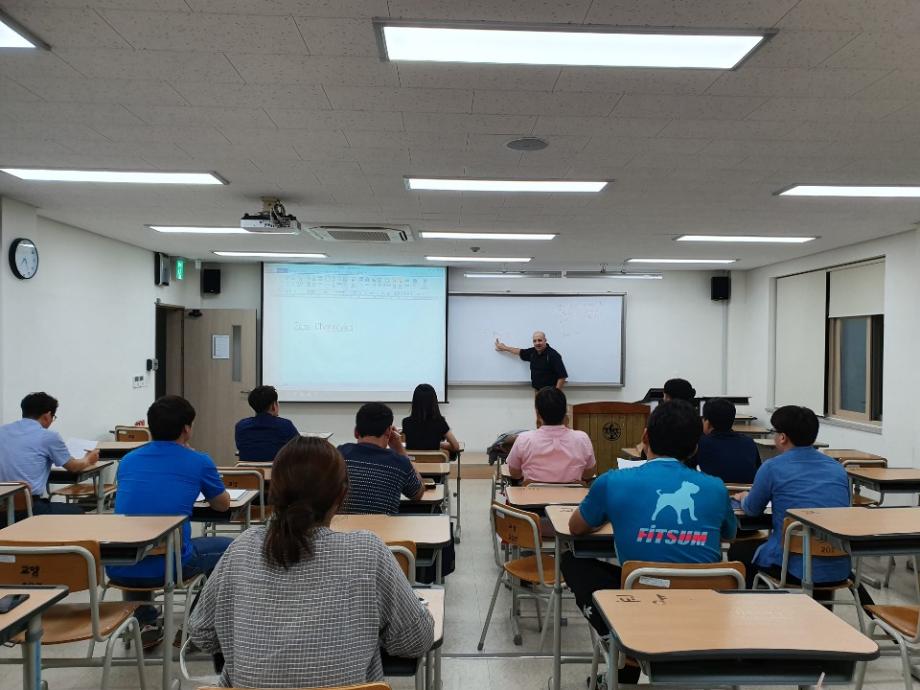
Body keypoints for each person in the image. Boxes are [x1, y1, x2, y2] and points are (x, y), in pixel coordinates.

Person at [187, 437, 434, 688]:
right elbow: (416, 641)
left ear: (273, 492)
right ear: (342, 493)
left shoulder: (241, 548)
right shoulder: (368, 553)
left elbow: (202, 634)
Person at [561, 400, 736, 683]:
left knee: (572, 560)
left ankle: (618, 642)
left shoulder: (613, 481)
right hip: (704, 611)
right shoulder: (716, 487)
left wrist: (614, 514)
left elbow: (575, 527)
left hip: (640, 606)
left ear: (645, 437)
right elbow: (729, 534)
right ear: (694, 448)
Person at [106, 395, 232, 642]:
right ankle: (194, 627)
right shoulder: (198, 461)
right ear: (187, 429)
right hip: (171, 566)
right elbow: (222, 505)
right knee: (230, 548)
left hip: (118, 568)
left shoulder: (128, 460)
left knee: (139, 545)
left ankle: (145, 622)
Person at [734, 405, 851, 588]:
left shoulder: (772, 467)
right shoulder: (838, 469)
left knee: (740, 550)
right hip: (838, 566)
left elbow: (752, 509)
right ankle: (822, 614)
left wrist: (743, 497)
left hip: (793, 568)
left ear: (782, 437)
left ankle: (756, 610)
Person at [0, 392, 99, 519]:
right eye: (53, 416)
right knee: (77, 512)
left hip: (2, 506)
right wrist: (88, 459)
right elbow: (73, 467)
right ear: (47, 415)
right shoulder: (48, 436)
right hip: (28, 509)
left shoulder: (2, 431)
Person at [338, 402, 425, 514]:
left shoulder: (339, 455)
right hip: (384, 531)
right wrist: (399, 449)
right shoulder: (399, 462)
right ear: (389, 432)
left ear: (356, 432)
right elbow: (418, 493)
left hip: (343, 530)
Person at [506, 387, 596, 484]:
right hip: (573, 499)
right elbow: (589, 474)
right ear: (565, 412)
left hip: (533, 498)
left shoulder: (524, 439)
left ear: (538, 414)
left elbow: (514, 473)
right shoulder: (582, 438)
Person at [696, 398, 760, 484]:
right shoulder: (748, 442)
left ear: (707, 423)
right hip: (745, 493)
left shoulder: (700, 443)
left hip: (712, 494)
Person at [235, 385, 299, 462]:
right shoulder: (285, 425)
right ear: (273, 406)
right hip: (276, 472)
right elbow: (299, 448)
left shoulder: (241, 426)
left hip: (249, 473)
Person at [495, 331, 568, 391]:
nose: (537, 343)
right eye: (534, 341)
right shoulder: (532, 352)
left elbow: (562, 376)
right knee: (538, 409)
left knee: (549, 409)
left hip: (549, 392)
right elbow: (519, 351)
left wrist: (556, 393)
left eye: (540, 340)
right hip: (537, 390)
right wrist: (504, 348)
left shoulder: (553, 355)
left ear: (545, 340)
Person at [402, 383, 460, 454]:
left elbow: (406, 446)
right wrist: (438, 445)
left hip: (412, 464)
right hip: (436, 464)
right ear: (434, 401)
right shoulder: (440, 422)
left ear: (415, 401)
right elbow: (456, 446)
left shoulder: (406, 422)